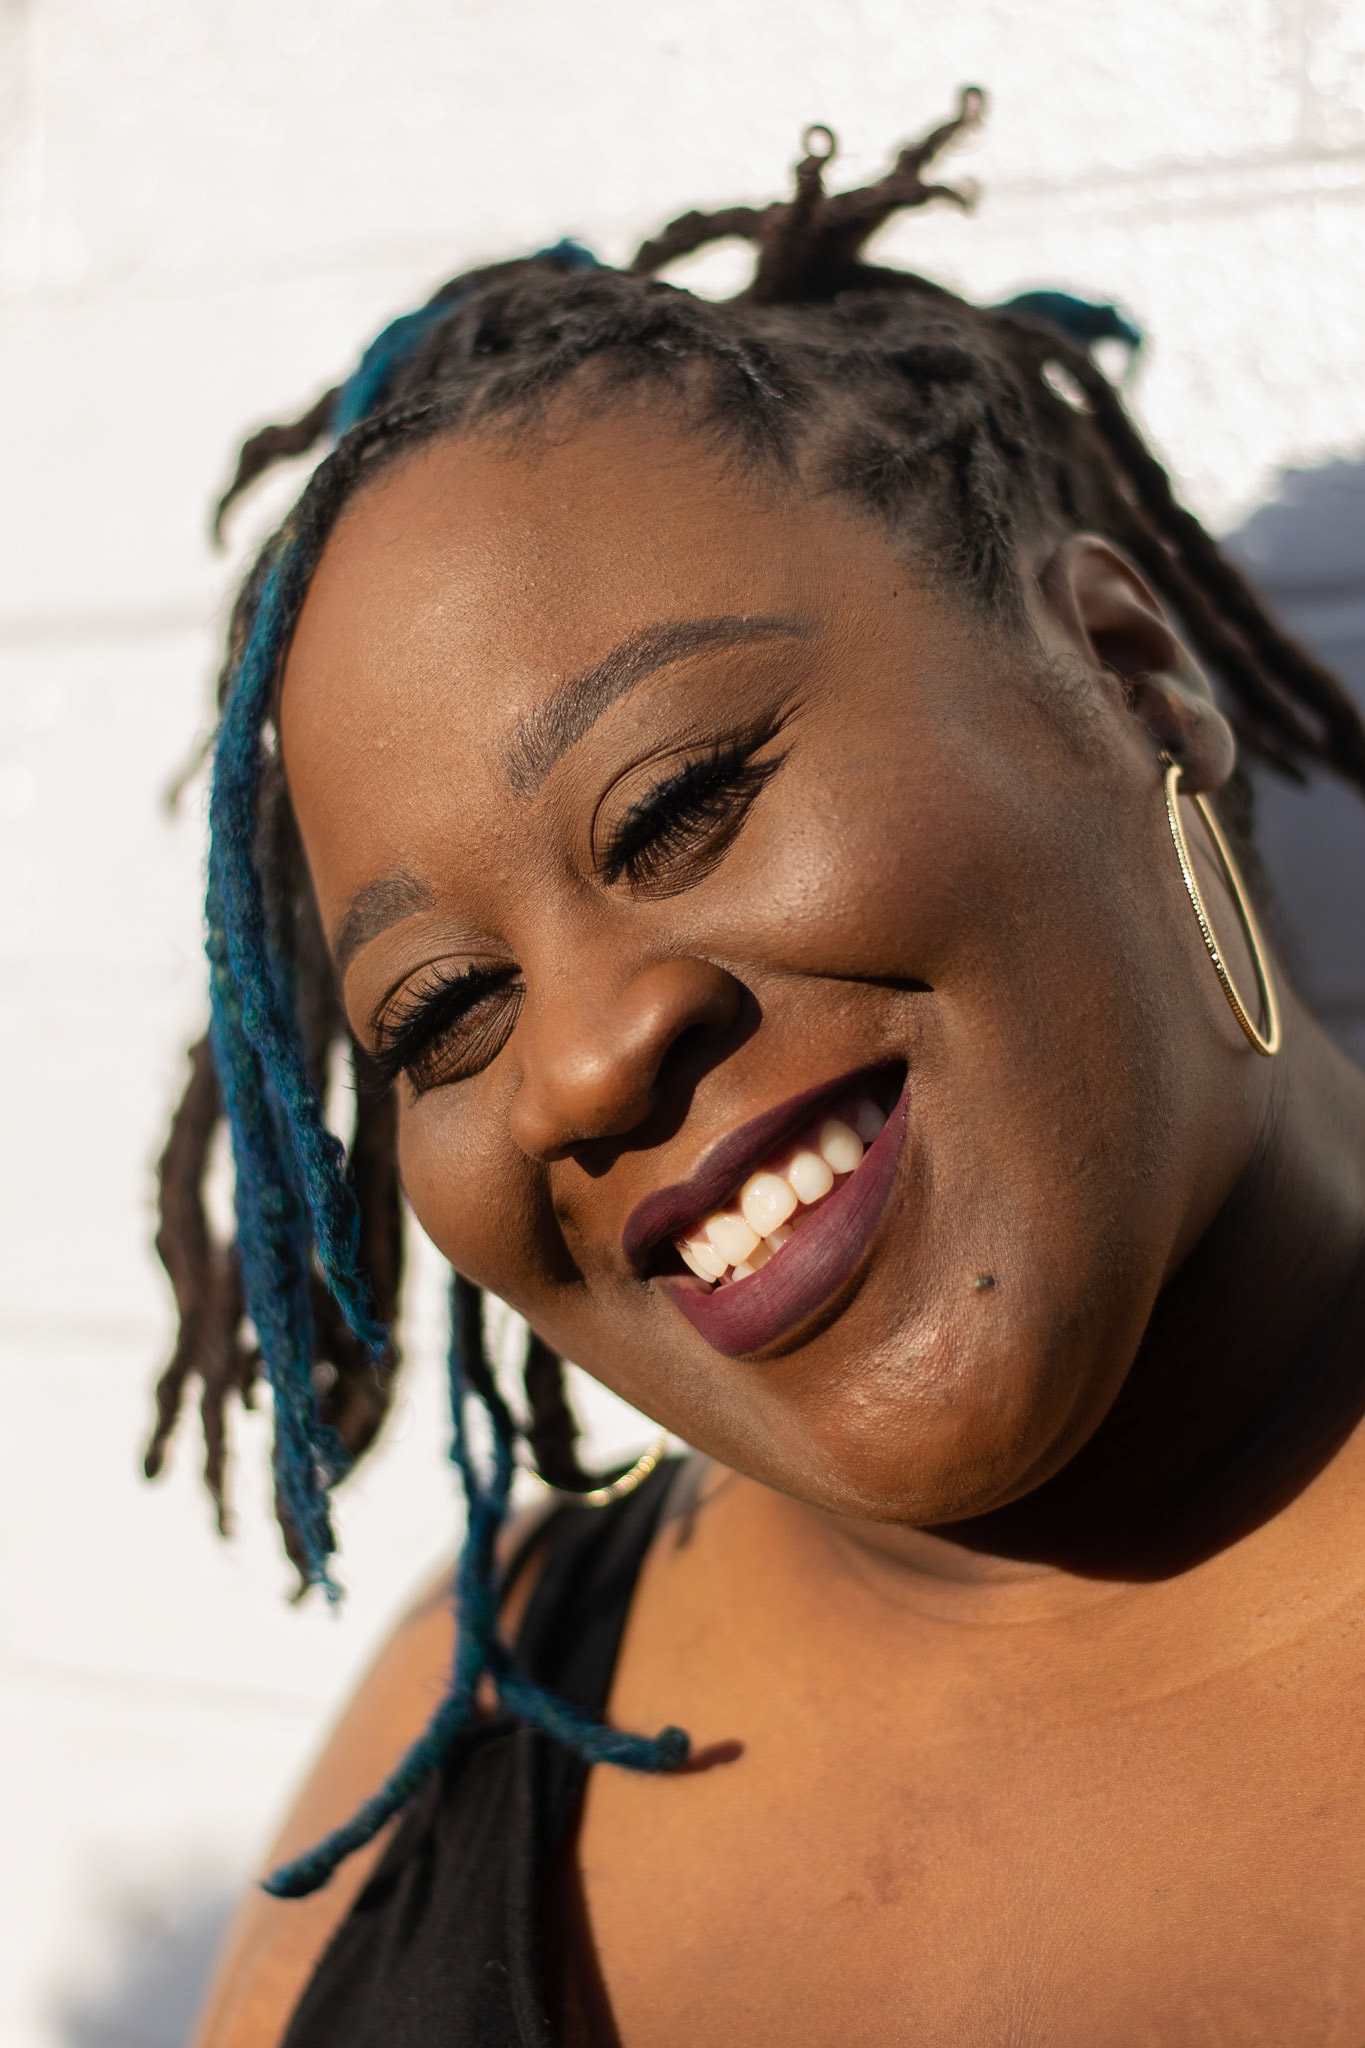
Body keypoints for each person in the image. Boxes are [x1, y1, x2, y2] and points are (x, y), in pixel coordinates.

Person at [153, 89, 1365, 2046]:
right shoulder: (469, 1725)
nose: (574, 1066)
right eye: (445, 1012)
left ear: (1126, 672)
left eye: (679, 804)